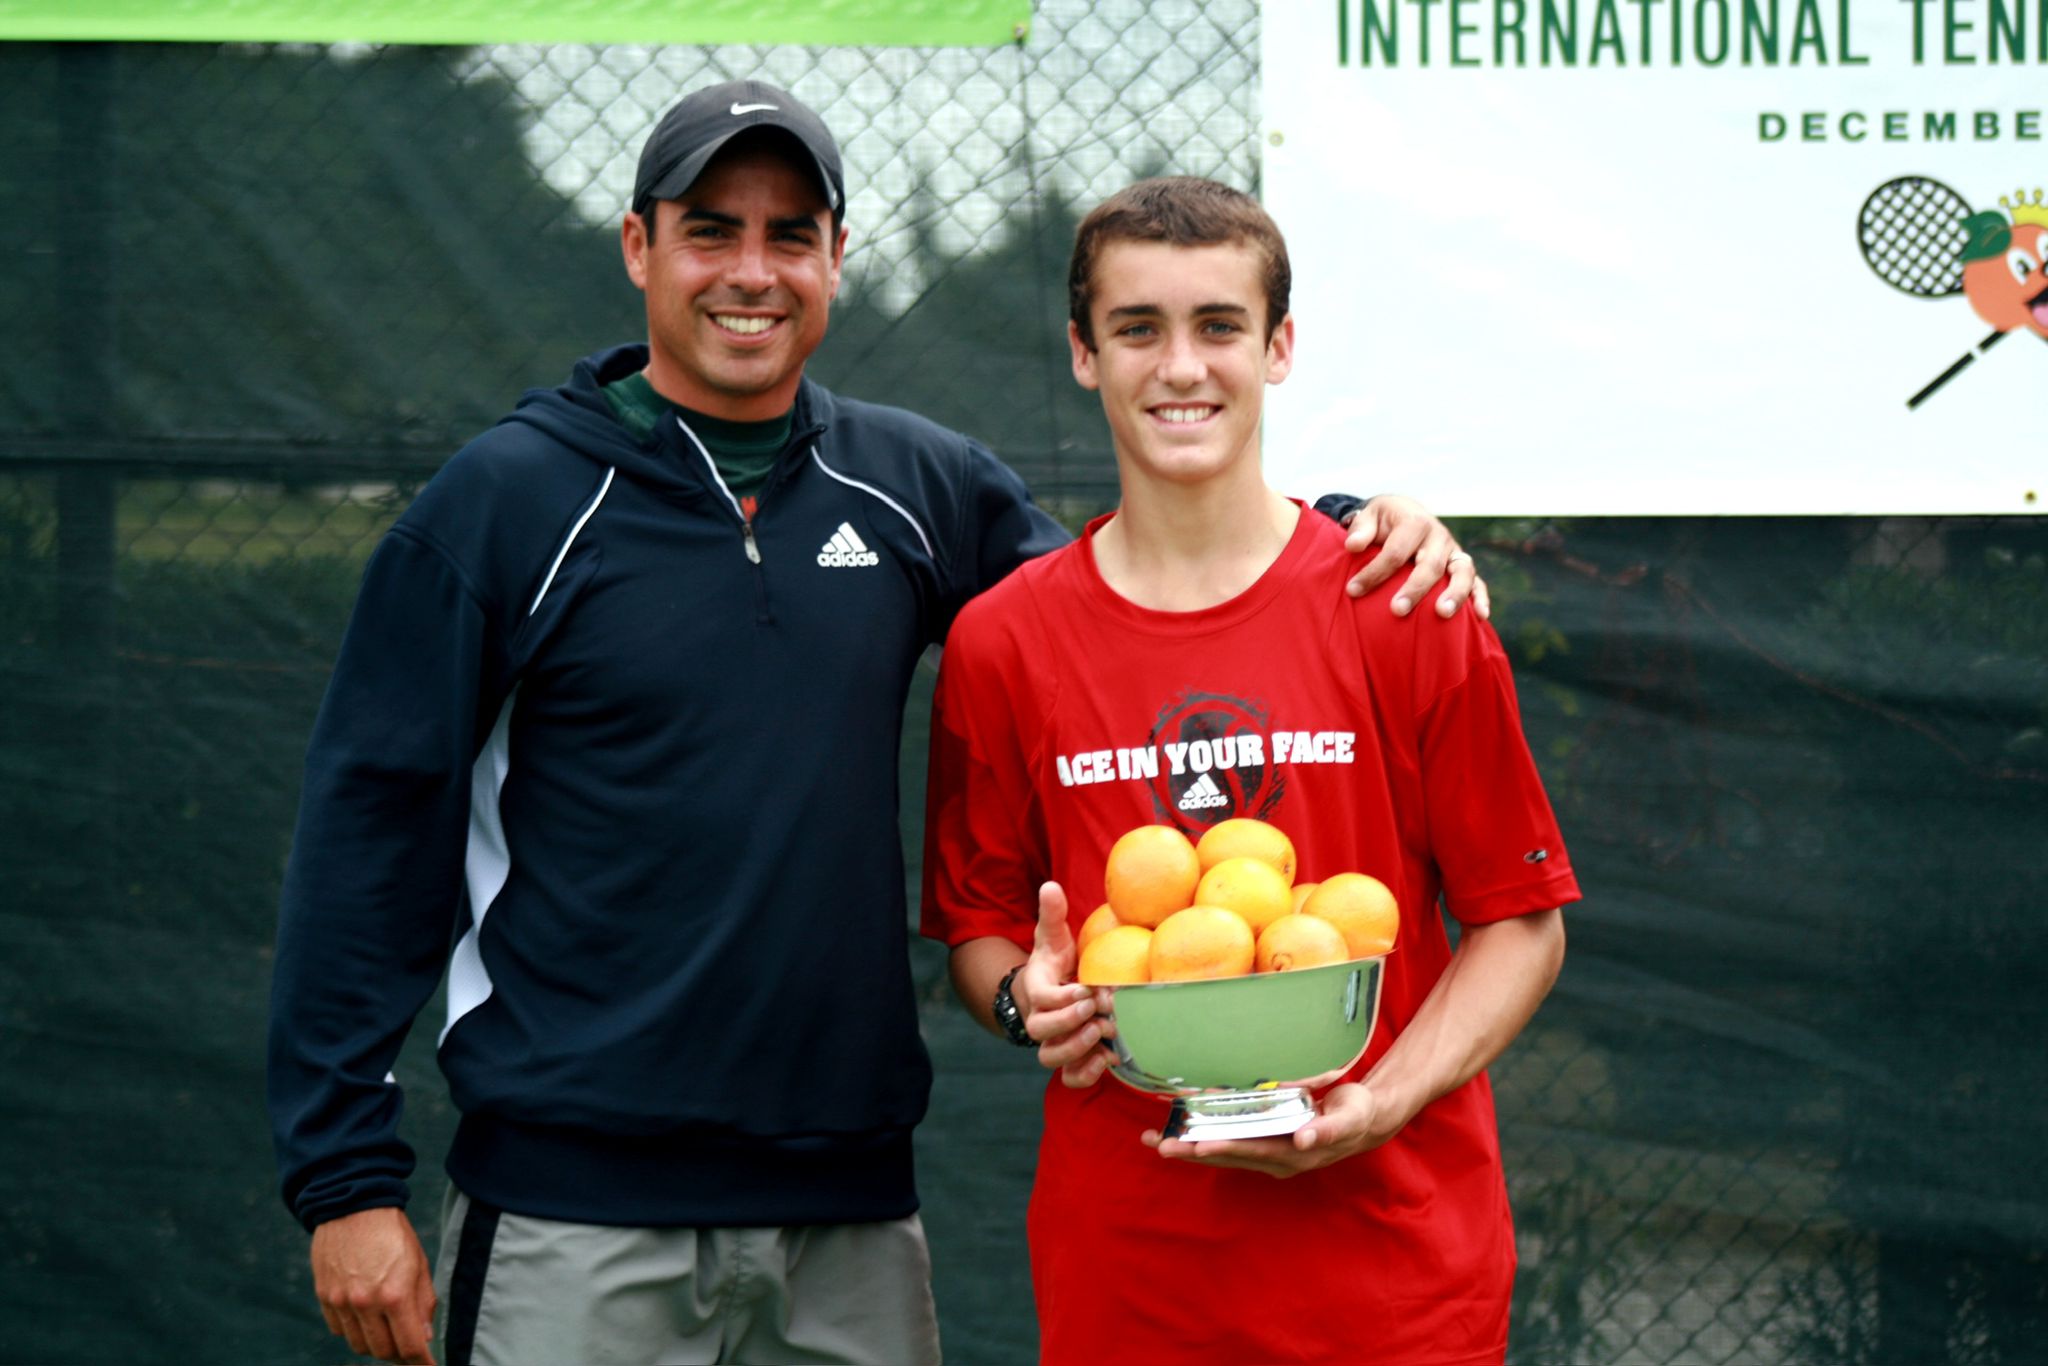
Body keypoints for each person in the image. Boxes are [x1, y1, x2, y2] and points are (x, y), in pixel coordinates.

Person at [265, 81, 1483, 1366]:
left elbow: (1144, 585)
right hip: (574, 1206)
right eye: (709, 229)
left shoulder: (915, 485)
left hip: (849, 1216)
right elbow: (366, 840)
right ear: (638, 247)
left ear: (836, 259)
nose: (752, 270)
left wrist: (1342, 524)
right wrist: (344, 1179)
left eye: (791, 233)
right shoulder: (502, 503)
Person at [921, 175, 1579, 1365]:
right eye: (1138, 328)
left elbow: (1520, 926)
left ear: (1277, 348)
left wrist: (1379, 1099)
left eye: (1218, 325)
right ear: (1082, 354)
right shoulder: (1000, 641)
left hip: (1395, 1289)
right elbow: (978, 930)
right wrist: (1032, 1003)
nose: (1181, 367)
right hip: (1131, 1289)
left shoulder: (1406, 603)